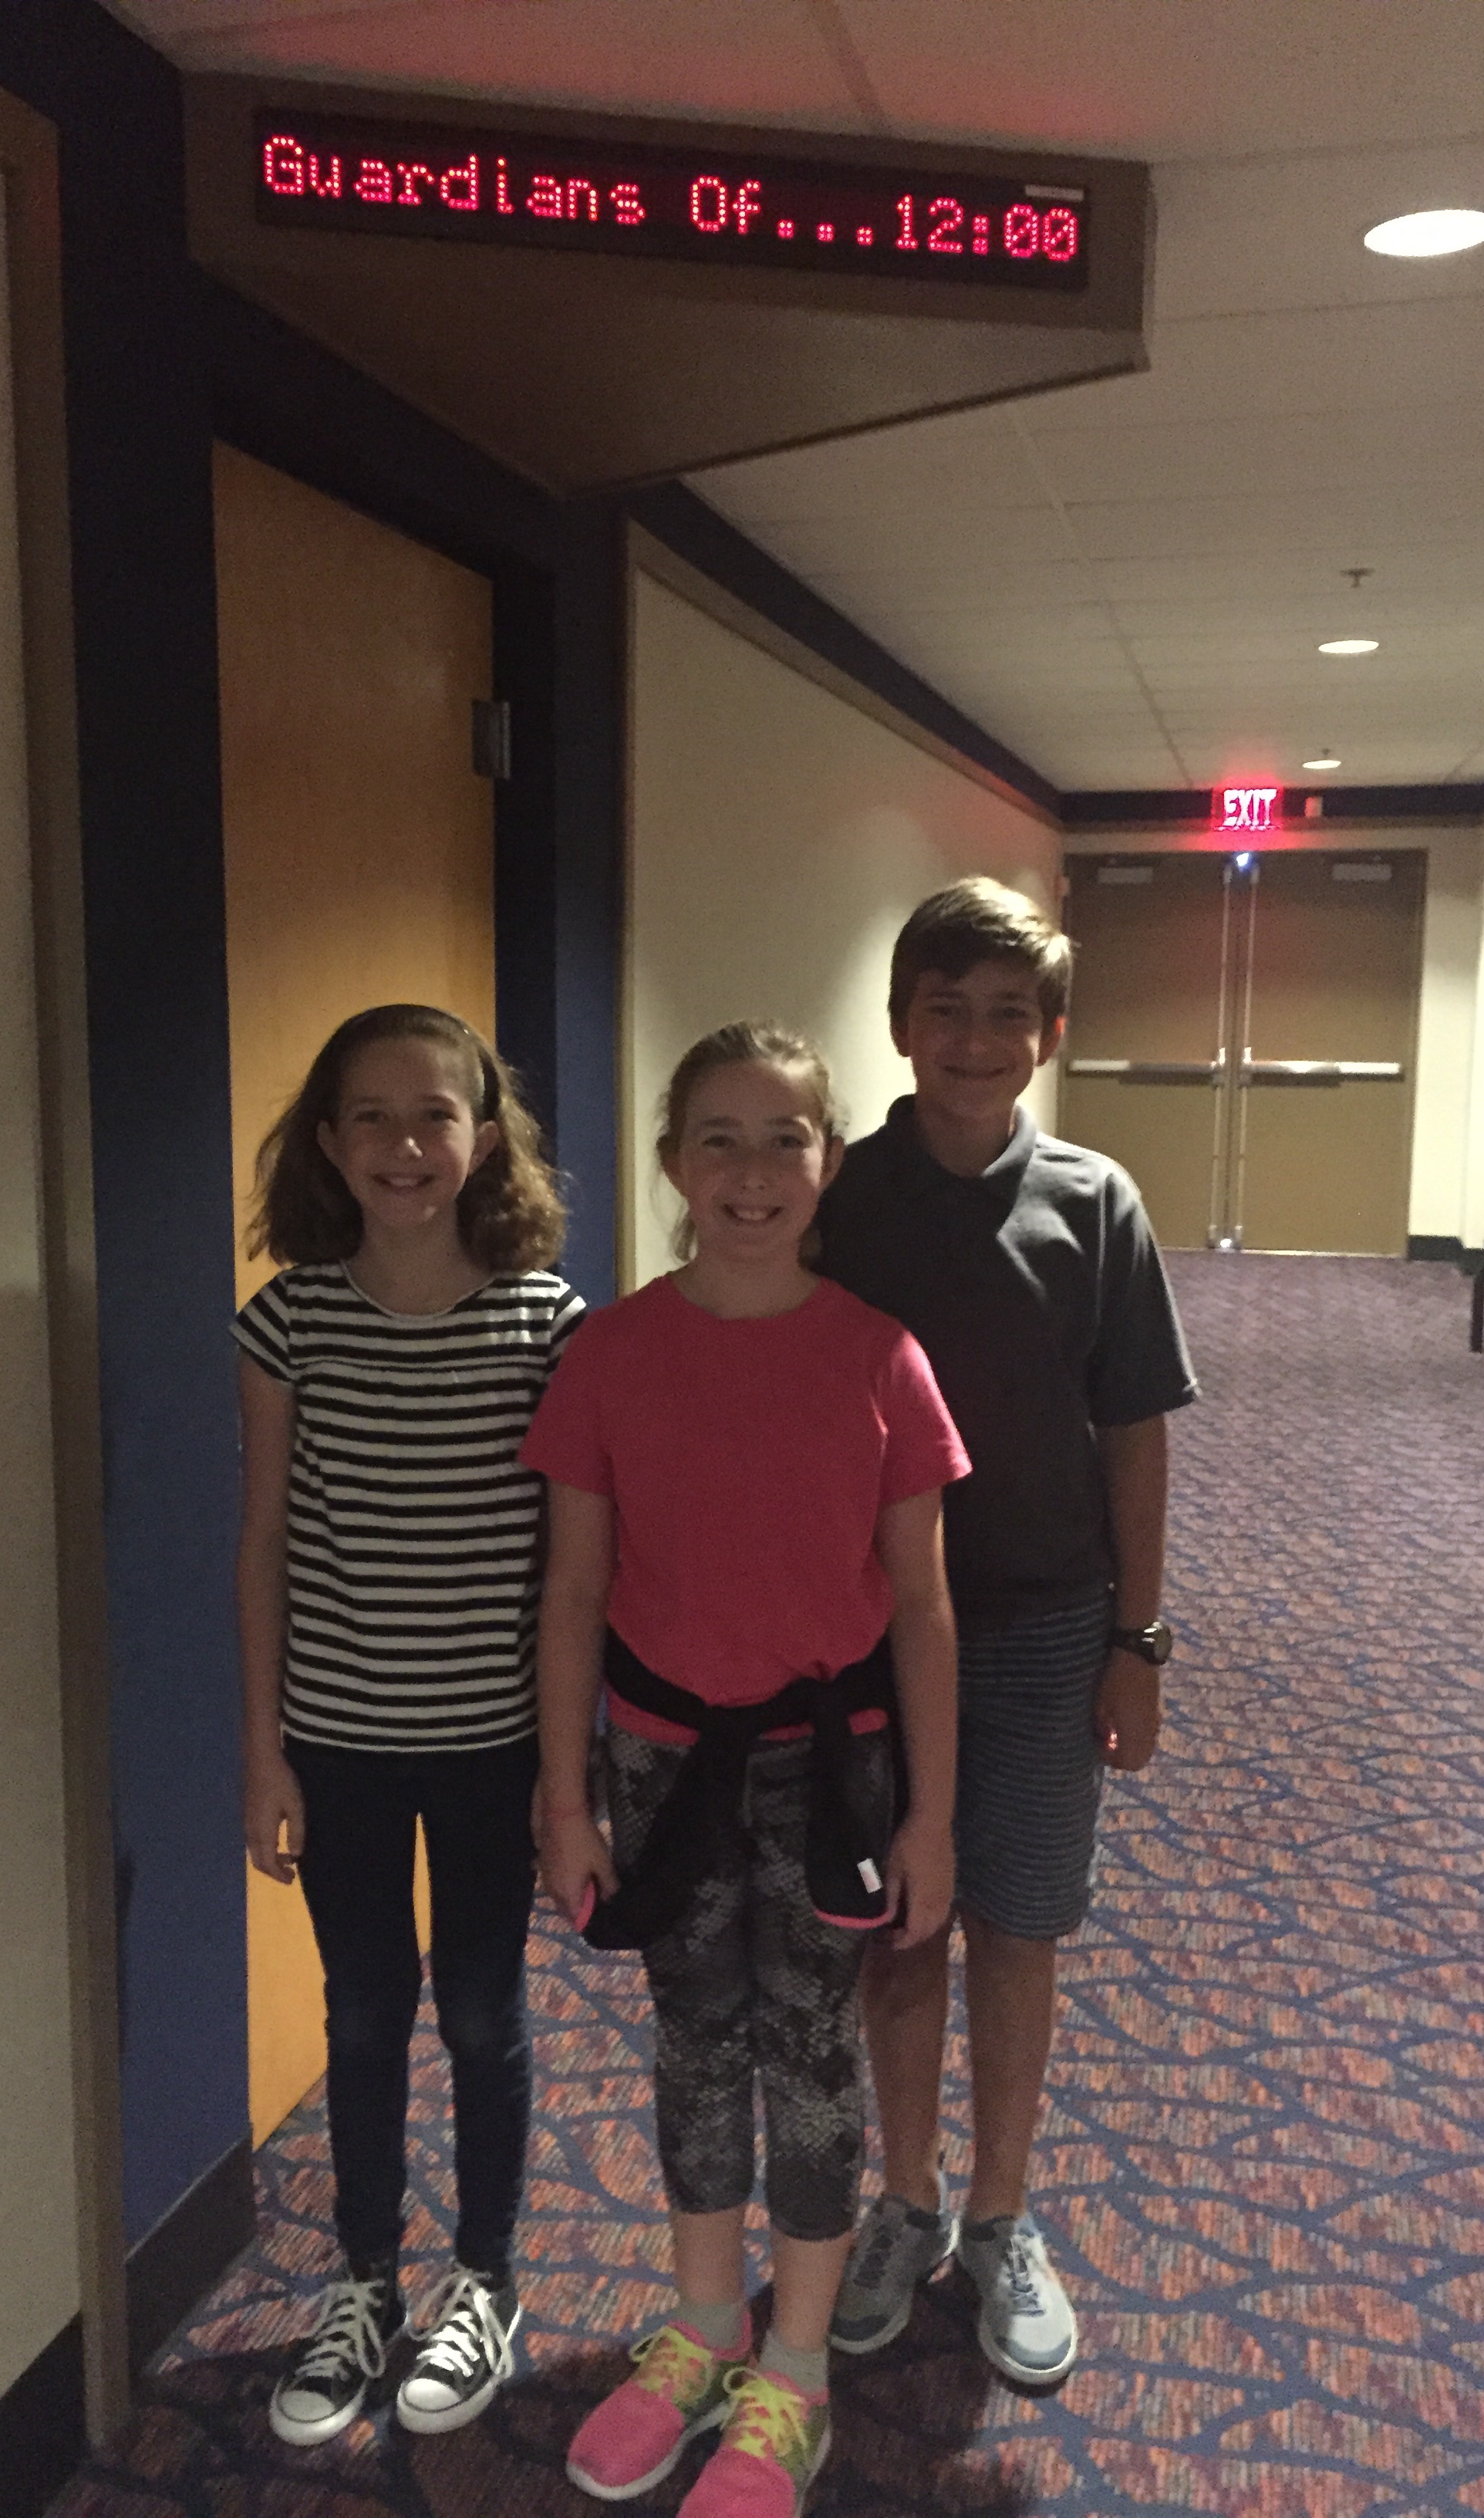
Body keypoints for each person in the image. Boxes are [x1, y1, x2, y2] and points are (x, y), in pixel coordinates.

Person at [524, 1021, 968, 2517]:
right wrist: (566, 1798)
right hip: (662, 1768)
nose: (754, 1170)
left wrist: (932, 1818)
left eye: (786, 1139)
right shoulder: (611, 1352)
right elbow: (574, 1591)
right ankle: (706, 2323)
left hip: (830, 1774)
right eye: (719, 1137)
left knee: (813, 2053)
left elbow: (923, 1607)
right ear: (671, 1163)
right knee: (696, 2043)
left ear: (828, 1163)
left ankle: (795, 2370)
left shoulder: (881, 1357)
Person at [815, 877, 1196, 2388]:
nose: (973, 1041)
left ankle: (999, 2214)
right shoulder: (840, 1198)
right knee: (900, 1922)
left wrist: (1139, 1640)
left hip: (1045, 1625)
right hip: (869, 1630)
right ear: (899, 1023)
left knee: (1019, 1925)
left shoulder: (1096, 1203)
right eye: (944, 1011)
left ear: (1050, 1033)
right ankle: (905, 2202)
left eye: (1006, 1016)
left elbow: (1135, 1432)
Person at [234, 1004, 583, 2448]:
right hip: (340, 1741)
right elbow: (264, 1542)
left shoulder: (547, 1321)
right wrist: (262, 1750)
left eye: (432, 1113)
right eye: (368, 1117)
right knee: (366, 2013)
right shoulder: (289, 1322)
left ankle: (484, 2280)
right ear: (328, 1144)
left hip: (497, 1741)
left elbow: (576, 1568)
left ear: (482, 1140)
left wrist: (568, 1773)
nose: (401, 1144)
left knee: (485, 2012)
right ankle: (365, 2281)